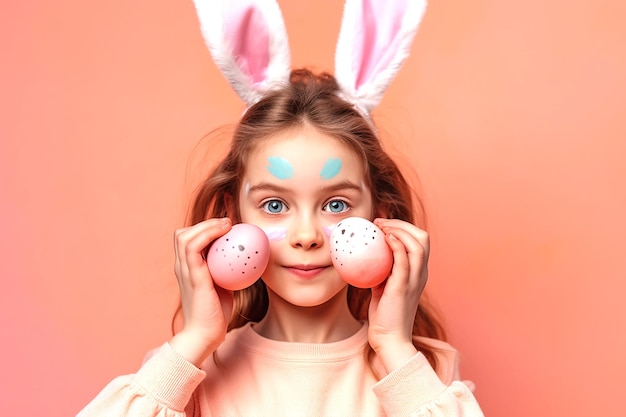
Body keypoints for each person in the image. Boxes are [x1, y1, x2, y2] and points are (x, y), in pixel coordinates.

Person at [77, 0, 485, 416]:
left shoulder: (423, 374)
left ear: (381, 212)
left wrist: (395, 349)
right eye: (274, 204)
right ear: (232, 217)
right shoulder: (185, 375)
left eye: (336, 204)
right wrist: (195, 339)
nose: (305, 235)